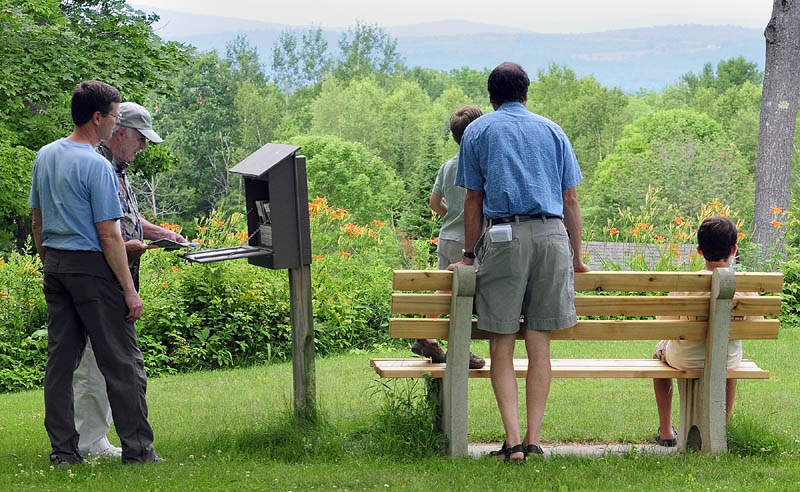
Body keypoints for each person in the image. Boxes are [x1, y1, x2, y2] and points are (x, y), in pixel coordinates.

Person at [454, 62, 589, 462]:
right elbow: (570, 200)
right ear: (526, 93)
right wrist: (578, 258)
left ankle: (512, 443)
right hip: (551, 238)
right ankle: (534, 438)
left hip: (504, 238)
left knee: (501, 343)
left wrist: (466, 255)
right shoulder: (552, 131)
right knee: (539, 344)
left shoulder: (478, 131)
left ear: (491, 97)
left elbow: (473, 200)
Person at [29, 80, 160, 465]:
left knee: (60, 363)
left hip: (55, 264)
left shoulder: (46, 155)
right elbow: (109, 234)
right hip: (92, 271)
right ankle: (139, 451)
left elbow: (37, 221)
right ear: (97, 117)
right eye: (115, 116)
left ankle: (64, 453)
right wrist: (129, 291)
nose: (115, 124)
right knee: (122, 363)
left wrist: (48, 262)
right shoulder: (96, 165)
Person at [72, 101, 184, 458]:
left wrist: (160, 232)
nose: (144, 146)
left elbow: (126, 220)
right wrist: (129, 250)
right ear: (120, 133)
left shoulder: (117, 168)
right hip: (102, 279)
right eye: (140, 139)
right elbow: (104, 232)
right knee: (95, 362)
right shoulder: (99, 166)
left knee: (109, 362)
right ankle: (89, 441)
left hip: (117, 276)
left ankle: (97, 438)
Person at [652, 216, 754, 447]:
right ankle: (722, 426)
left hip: (685, 358)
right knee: (728, 367)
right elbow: (754, 322)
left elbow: (665, 325)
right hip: (726, 360)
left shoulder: (686, 285)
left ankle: (666, 430)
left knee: (658, 356)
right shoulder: (746, 286)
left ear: (699, 250)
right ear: (734, 249)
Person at [412, 105, 485, 370]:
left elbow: (434, 202)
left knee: (444, 288)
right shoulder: (480, 165)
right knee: (463, 297)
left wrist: (450, 215)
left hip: (447, 237)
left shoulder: (448, 166)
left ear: (454, 137)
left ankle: (427, 336)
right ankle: (460, 350)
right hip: (470, 241)